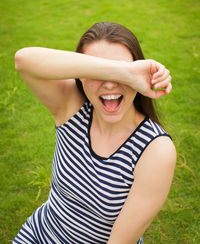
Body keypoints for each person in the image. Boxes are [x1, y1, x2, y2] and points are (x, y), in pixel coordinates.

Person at [13, 22, 176, 244]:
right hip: (39, 234)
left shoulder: (155, 150)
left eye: (122, 71)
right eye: (97, 72)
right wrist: (120, 72)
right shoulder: (72, 108)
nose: (109, 85)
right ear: (81, 75)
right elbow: (24, 60)